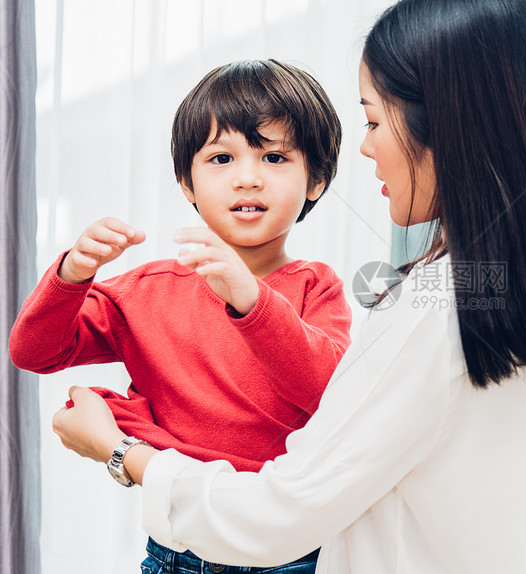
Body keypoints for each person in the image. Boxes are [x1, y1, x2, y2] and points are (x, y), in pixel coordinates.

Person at [52, 0, 526, 572]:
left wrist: (120, 451)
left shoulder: (424, 309)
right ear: (185, 181)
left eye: (372, 120)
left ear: (440, 125)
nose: (365, 147)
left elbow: (281, 512)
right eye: (220, 157)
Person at [11, 60, 351, 573]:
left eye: (275, 156)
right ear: (186, 185)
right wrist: (73, 273)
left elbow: (331, 397)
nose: (247, 178)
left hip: (288, 553)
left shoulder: (315, 287)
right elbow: (35, 352)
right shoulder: (148, 289)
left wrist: (251, 303)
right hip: (176, 550)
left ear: (316, 181)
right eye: (221, 157)